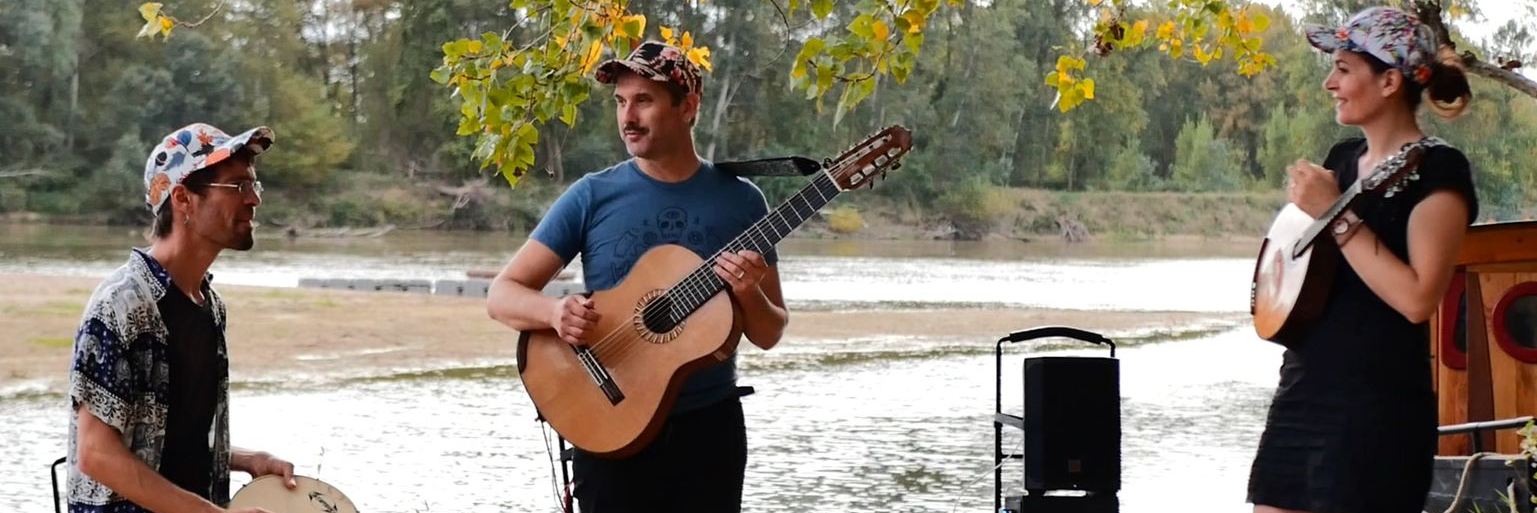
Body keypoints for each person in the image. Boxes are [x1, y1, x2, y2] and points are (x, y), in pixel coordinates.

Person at [486, 40, 789, 512]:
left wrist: (749, 294)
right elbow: (502, 295)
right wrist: (554, 312)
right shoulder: (592, 195)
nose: (627, 117)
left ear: (688, 106)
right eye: (621, 102)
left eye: (643, 101)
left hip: (708, 432)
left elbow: (769, 332)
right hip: (607, 420)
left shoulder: (743, 203)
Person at [1248, 7, 1478, 513]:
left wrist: (1335, 213)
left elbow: (1418, 299)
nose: (1330, 83)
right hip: (1304, 389)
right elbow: (1303, 267)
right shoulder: (1342, 159)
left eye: (1344, 69)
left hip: (1377, 409)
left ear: (1390, 80)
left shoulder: (1439, 170)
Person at [67, 123, 297, 513]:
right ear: (183, 199)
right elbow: (96, 453)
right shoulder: (122, 305)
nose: (253, 200)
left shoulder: (209, 305)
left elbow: (169, 440)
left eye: (254, 186)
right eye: (238, 186)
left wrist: (245, 459)